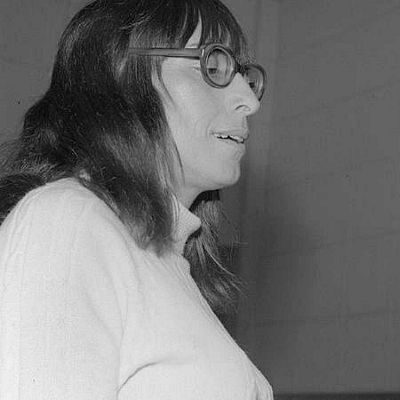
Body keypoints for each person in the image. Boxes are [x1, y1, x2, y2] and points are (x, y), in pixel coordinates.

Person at [0, 0, 272, 399]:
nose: (250, 100)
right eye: (214, 66)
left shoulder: (167, 266)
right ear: (123, 76)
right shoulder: (68, 220)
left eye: (245, 76)